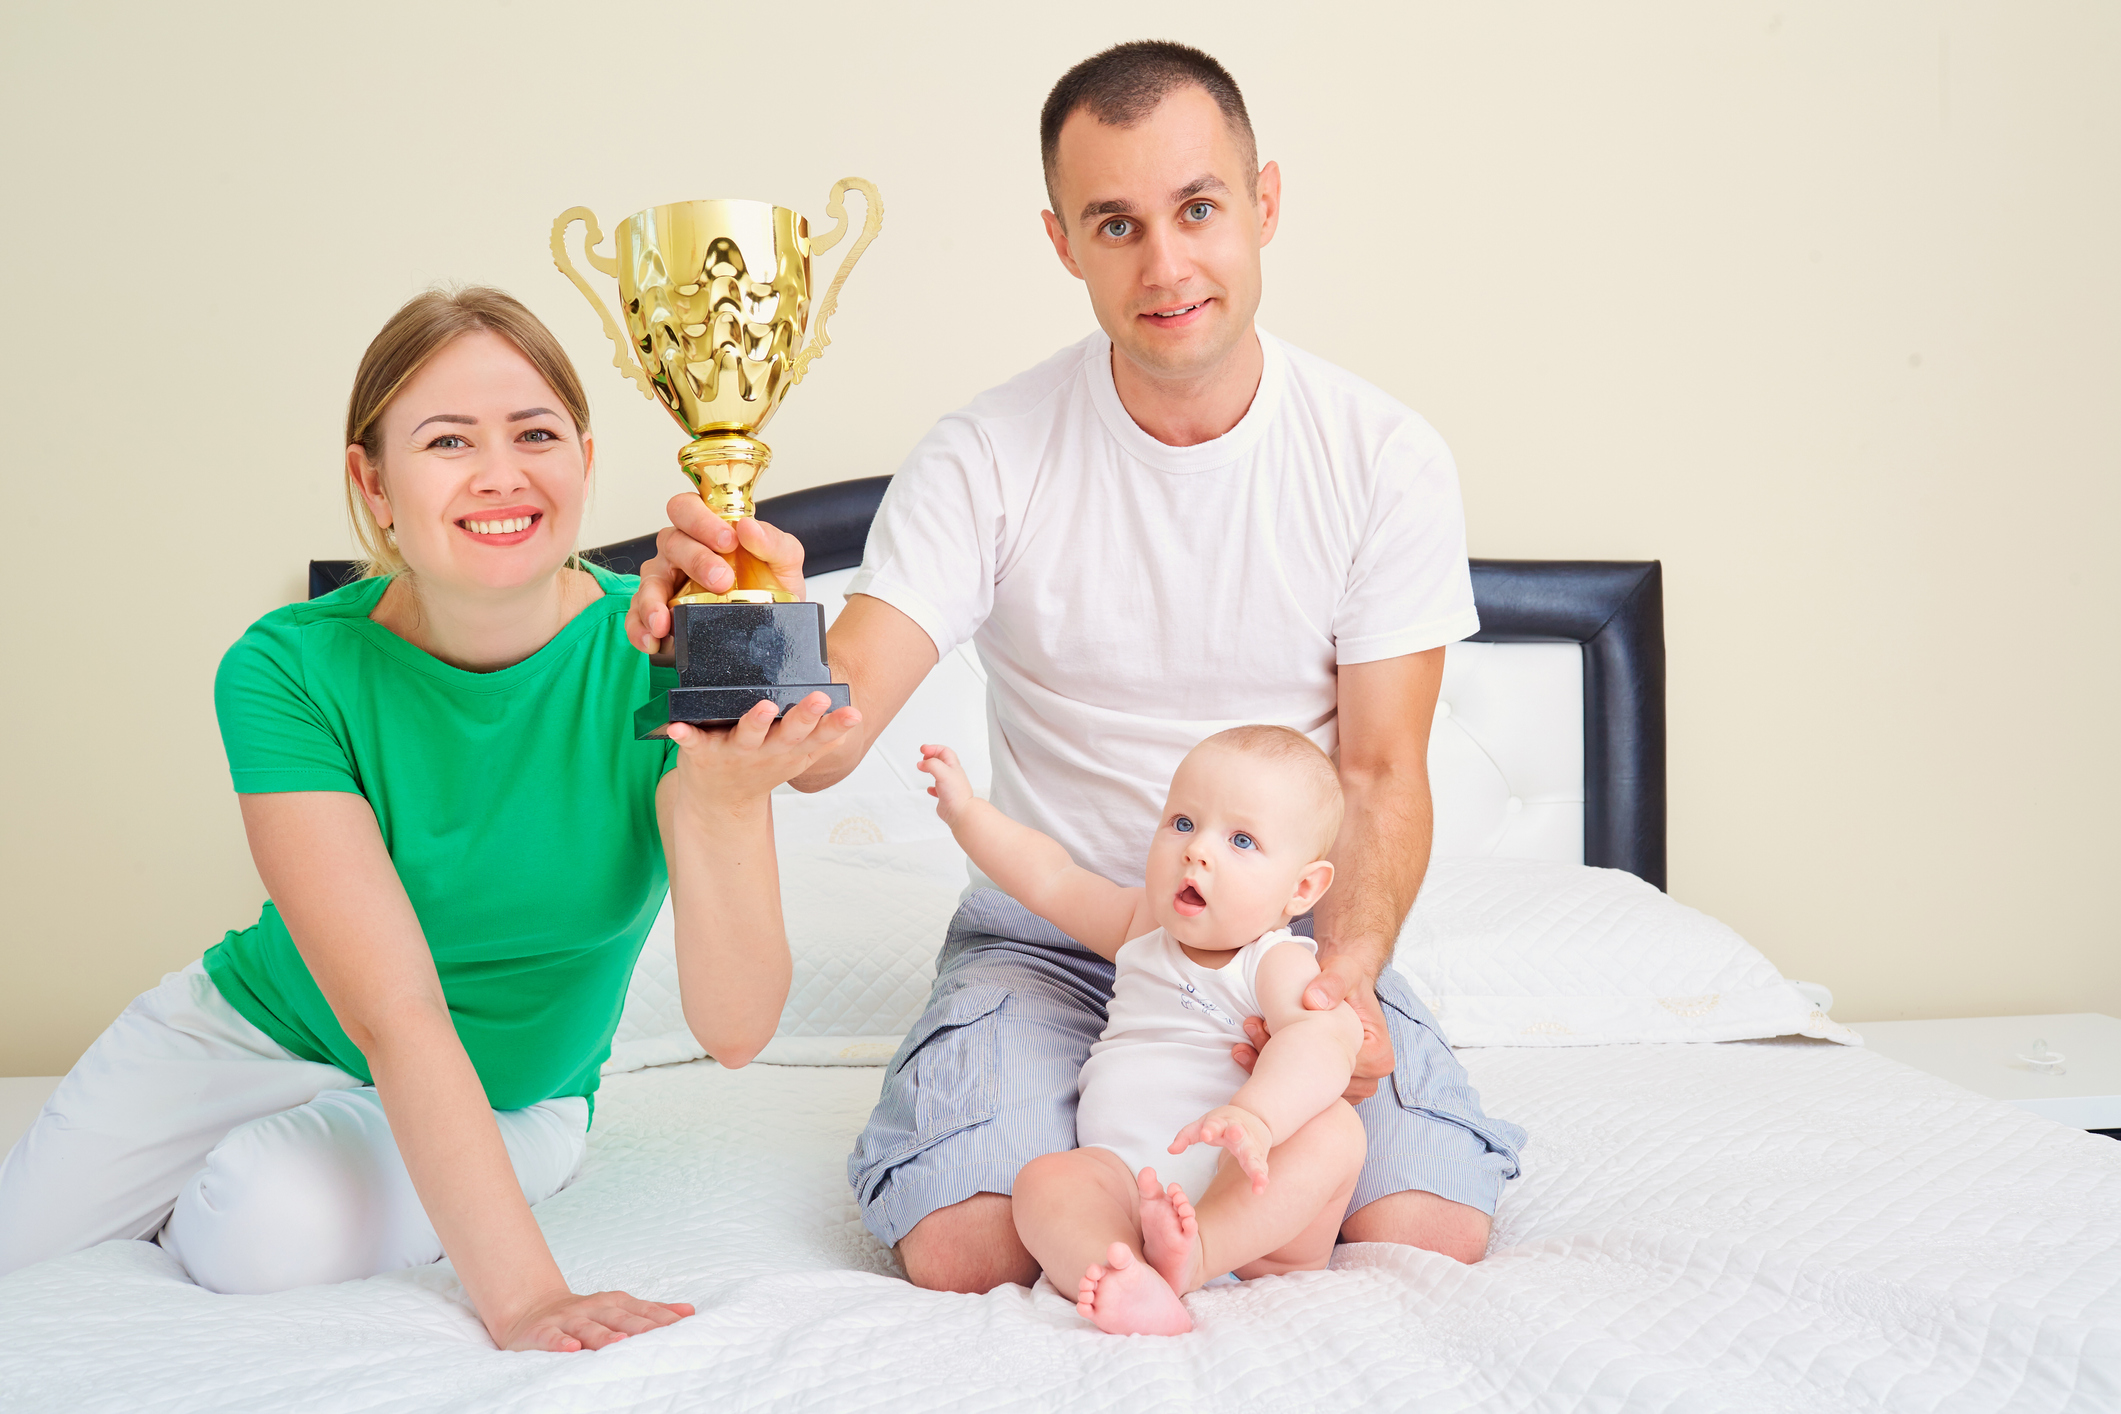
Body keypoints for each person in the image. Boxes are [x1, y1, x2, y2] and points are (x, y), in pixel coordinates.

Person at [624, 41, 1527, 1294]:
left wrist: (1345, 981)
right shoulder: (987, 454)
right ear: (1062, 242)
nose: (1165, 266)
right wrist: (746, 617)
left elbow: (1380, 770)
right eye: (1117, 223)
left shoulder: (1383, 457)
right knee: (961, 1245)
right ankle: (1170, 1228)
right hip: (1051, 932)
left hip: (1280, 938)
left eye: (1199, 209)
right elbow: (829, 745)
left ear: (1265, 203)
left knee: (1431, 1229)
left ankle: (1187, 1235)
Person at [0, 288, 861, 1353]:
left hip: (511, 1099)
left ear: (586, 460)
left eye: (536, 434)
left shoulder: (652, 653)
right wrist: (529, 1299)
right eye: (448, 440)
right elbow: (395, 1008)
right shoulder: (286, 666)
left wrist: (727, 797)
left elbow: (735, 1031)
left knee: (250, 1229)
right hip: (249, 1033)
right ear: (374, 481)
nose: (501, 474)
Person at [919, 727, 1365, 1336]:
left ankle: (1201, 1252)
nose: (1197, 851)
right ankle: (1123, 1271)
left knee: (1335, 1131)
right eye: (1183, 823)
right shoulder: (1139, 926)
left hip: (1251, 1211)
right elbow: (1048, 878)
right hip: (1127, 1181)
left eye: (1240, 840)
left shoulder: (1273, 960)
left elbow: (1326, 1041)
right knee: (1047, 1180)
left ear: (1302, 888)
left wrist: (1257, 1118)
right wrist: (968, 813)